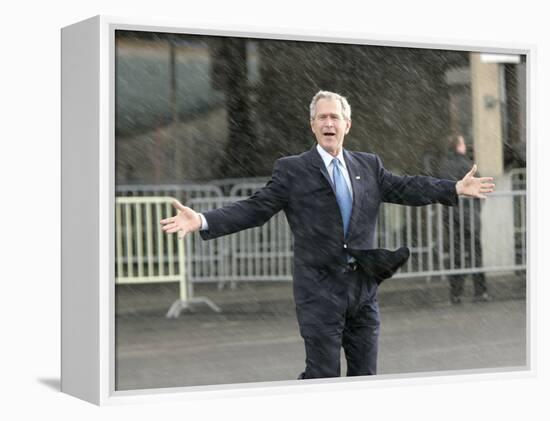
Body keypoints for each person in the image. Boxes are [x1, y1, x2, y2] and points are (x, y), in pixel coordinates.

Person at [160, 91, 495, 379]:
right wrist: (202, 220)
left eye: (335, 117)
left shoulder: (368, 165)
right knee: (323, 378)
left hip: (362, 290)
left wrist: (452, 187)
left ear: (347, 125)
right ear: (313, 125)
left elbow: (407, 186)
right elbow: (255, 208)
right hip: (319, 291)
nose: (328, 124)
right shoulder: (292, 170)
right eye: (322, 118)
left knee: (365, 377)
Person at [439, 133, 491, 304]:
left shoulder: (444, 166)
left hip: (451, 214)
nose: (465, 146)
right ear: (459, 146)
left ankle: (456, 293)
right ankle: (480, 291)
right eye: (462, 143)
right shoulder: (467, 165)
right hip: (469, 215)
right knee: (475, 252)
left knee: (456, 254)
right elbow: (481, 185)